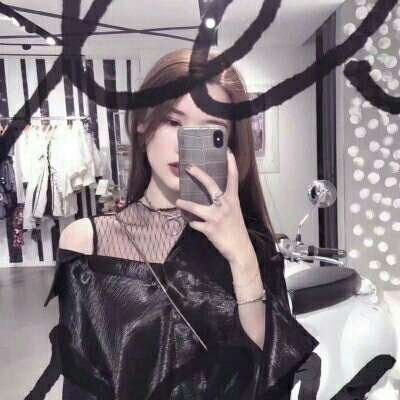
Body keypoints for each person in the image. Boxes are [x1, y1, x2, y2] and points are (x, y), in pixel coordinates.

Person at [32, 48, 318, 400]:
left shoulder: (251, 247)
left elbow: (268, 379)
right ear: (143, 125)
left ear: (229, 147)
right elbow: (81, 381)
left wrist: (242, 258)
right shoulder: (87, 243)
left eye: (211, 131)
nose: (185, 145)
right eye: (173, 121)